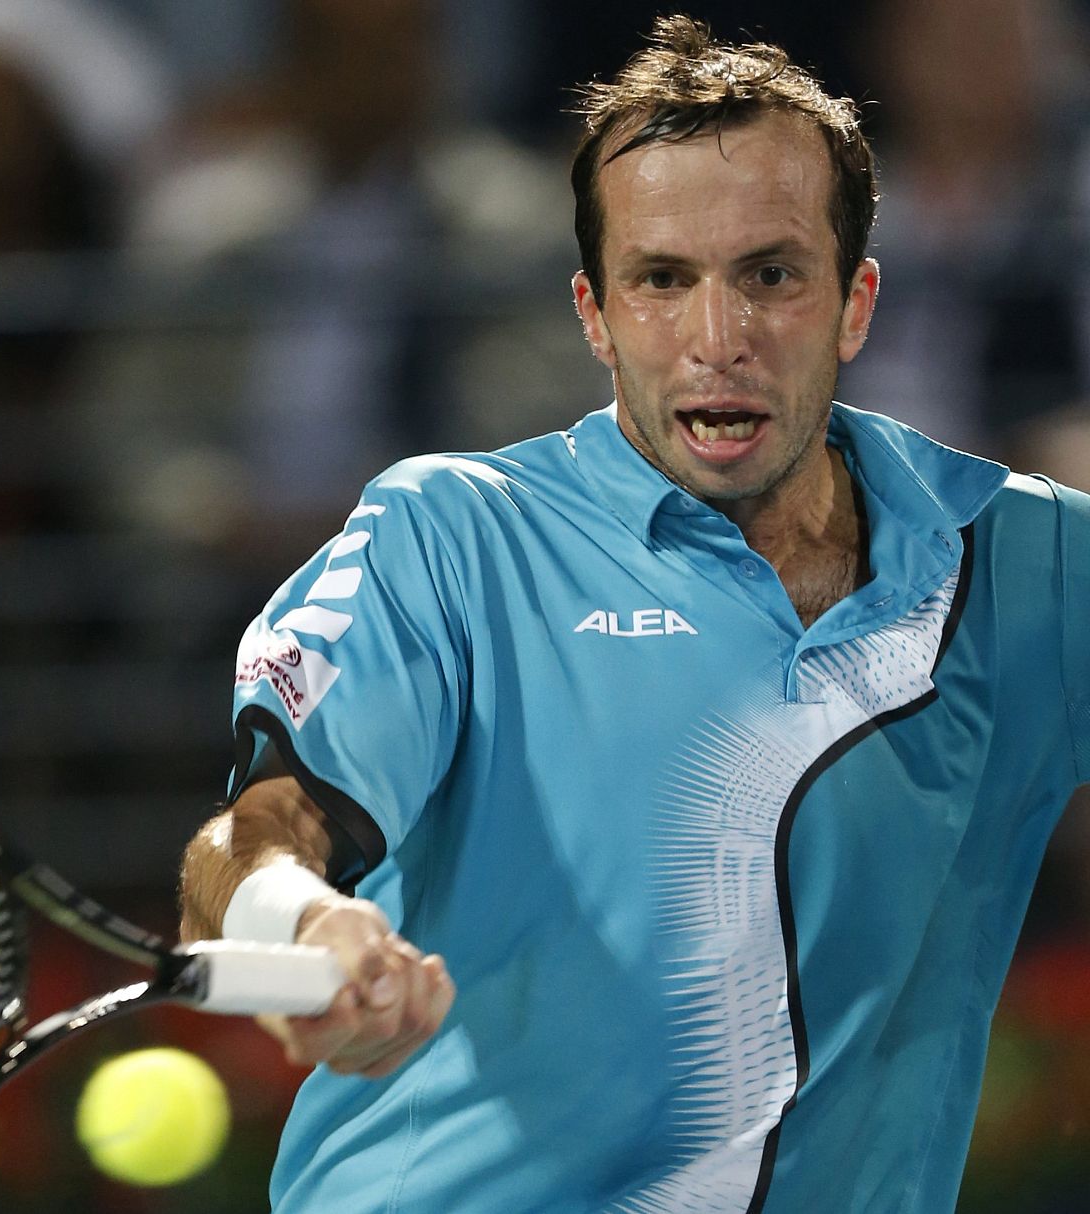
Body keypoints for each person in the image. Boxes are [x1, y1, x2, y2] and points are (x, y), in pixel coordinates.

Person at [177, 15, 1090, 1213]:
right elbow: (247, 836)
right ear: (594, 314)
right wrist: (304, 925)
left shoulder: (1023, 565)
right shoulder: (450, 536)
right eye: (662, 280)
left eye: (771, 274)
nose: (718, 342)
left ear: (855, 301)